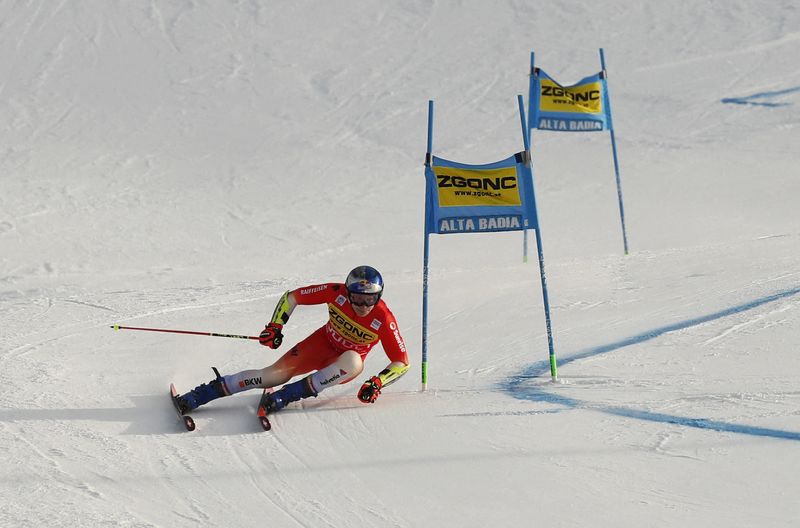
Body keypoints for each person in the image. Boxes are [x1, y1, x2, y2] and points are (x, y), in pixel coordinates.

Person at [176, 265, 410, 416]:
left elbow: (401, 361)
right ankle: (202, 395)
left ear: (378, 297)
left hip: (341, 365)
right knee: (272, 375)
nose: (362, 306)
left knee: (354, 361)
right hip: (319, 345)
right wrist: (275, 326)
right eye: (357, 298)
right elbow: (292, 298)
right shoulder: (335, 292)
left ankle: (287, 395)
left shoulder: (384, 319)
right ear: (348, 292)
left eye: (369, 300)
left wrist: (377, 382)